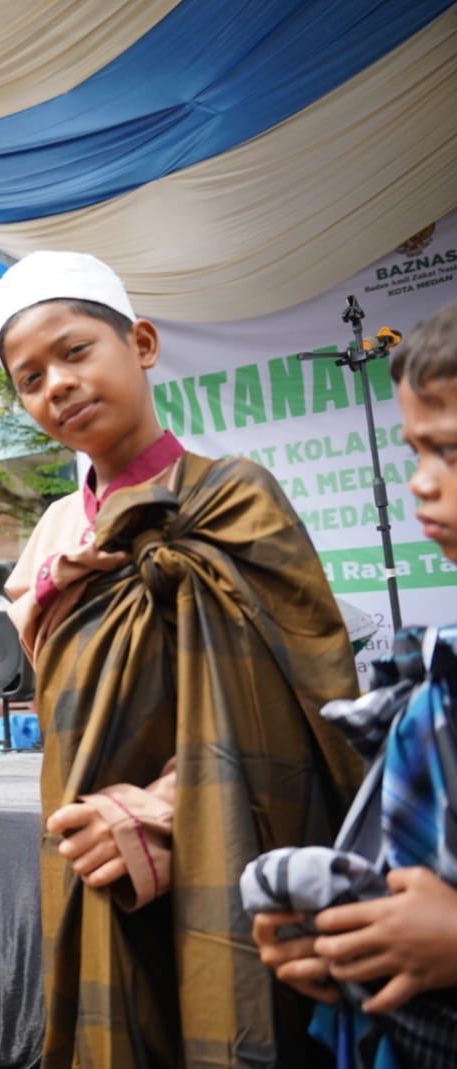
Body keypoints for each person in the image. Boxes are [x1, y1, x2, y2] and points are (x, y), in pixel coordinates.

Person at [0, 251, 362, 1067]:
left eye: (75, 350)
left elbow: (304, 705)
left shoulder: (234, 497)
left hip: (225, 847)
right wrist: (54, 590)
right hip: (89, 853)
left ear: (145, 344)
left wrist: (156, 812)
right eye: (30, 378)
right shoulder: (56, 534)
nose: (55, 383)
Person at [250, 299, 457, 1065]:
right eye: (416, 453)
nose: (420, 486)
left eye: (452, 454)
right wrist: (345, 937)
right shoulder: (434, 684)